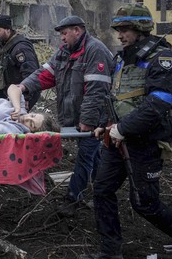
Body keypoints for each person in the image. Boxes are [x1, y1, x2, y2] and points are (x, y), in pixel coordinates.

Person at [82, 3, 172, 258]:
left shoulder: (163, 59)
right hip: (117, 141)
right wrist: (103, 125)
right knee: (102, 190)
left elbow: (158, 103)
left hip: (145, 142)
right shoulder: (121, 60)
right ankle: (110, 252)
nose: (120, 35)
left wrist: (123, 128)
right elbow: (117, 99)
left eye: (125, 29)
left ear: (141, 29)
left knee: (144, 203)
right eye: (118, 30)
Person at [16, 15, 113, 217]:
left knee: (85, 156)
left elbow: (96, 91)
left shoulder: (95, 51)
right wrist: (23, 86)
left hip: (94, 118)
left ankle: (72, 198)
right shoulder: (64, 53)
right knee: (94, 156)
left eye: (65, 33)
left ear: (77, 30)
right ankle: (103, 192)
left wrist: (87, 121)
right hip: (75, 117)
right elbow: (45, 74)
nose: (61, 37)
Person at [0, 14, 41, 110]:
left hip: (20, 96)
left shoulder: (21, 48)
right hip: (9, 95)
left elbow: (30, 73)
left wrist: (26, 98)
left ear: (8, 29)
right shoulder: (7, 46)